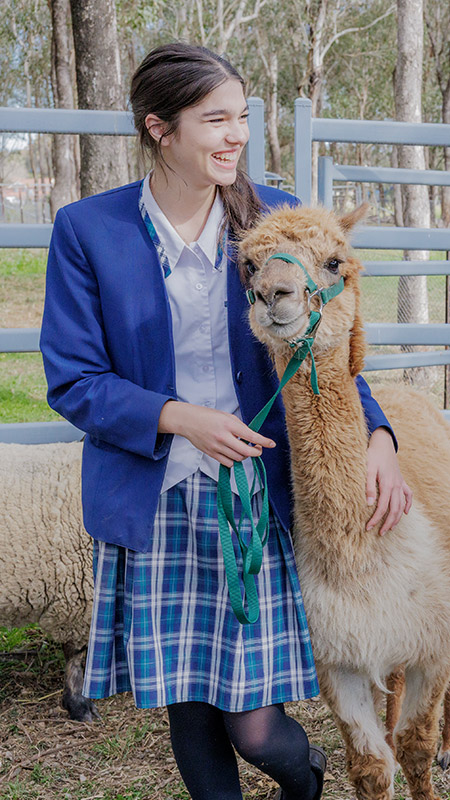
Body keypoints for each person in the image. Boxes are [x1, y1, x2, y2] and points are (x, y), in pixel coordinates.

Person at [40, 42, 412, 800]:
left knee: (255, 727)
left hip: (258, 495)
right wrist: (179, 418)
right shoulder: (90, 231)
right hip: (159, 496)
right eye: (215, 119)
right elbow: (73, 380)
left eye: (241, 117)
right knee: (190, 700)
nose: (236, 134)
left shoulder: (273, 215)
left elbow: (329, 337)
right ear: (160, 128)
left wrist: (378, 433)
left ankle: (301, 781)